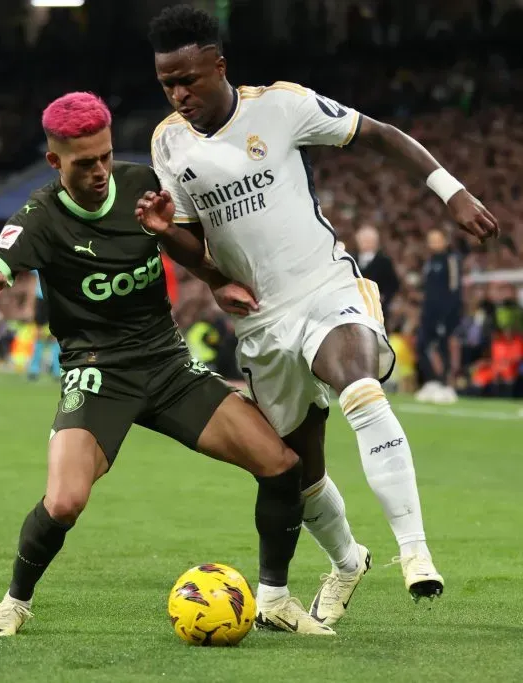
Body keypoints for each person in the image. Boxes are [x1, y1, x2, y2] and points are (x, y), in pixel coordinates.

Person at [140, 5, 498, 624]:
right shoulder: (168, 143)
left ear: (218, 65)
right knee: (298, 470)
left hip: (324, 286)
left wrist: (452, 190)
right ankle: (347, 560)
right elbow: (193, 242)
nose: (179, 94)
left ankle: (415, 553)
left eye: (189, 79)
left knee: (358, 384)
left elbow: (381, 134)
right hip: (259, 323)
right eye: (167, 83)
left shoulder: (280, 106)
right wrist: (180, 248)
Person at [0, 92, 334, 637]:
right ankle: (15, 602)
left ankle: (275, 599)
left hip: (167, 362)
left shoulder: (143, 185)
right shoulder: (39, 216)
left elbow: (187, 242)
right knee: (65, 500)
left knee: (280, 463)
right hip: (97, 372)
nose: (98, 171)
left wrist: (214, 280)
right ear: (54, 162)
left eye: (105, 156)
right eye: (82, 163)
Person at [415, 229, 463, 403]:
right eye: (431, 240)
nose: (434, 243)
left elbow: (455, 288)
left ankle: (447, 386)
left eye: (437, 239)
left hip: (445, 313)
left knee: (443, 348)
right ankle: (433, 381)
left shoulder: (451, 260)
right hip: (429, 312)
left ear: (445, 241)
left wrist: (449, 314)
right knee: (423, 345)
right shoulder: (429, 262)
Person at [353, 225, 400, 326]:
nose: (366, 243)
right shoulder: (351, 259)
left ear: (376, 242)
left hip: (376, 310)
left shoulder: (384, 262)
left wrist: (383, 298)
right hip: (354, 309)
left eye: (369, 240)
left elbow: (393, 285)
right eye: (363, 240)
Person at [26, 271, 60, 381]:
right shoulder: (39, 261)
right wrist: (30, 306)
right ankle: (34, 369)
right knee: (38, 335)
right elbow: (32, 284)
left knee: (56, 336)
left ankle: (57, 370)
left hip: (55, 298)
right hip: (41, 299)